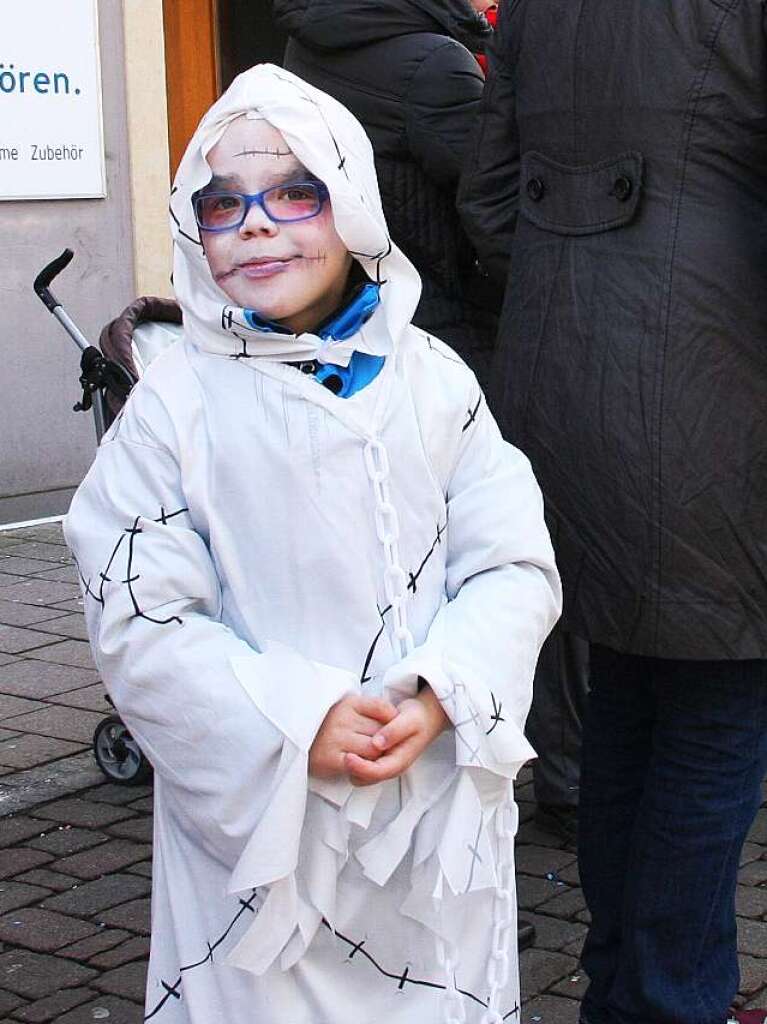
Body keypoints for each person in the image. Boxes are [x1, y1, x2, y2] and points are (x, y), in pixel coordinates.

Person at [65, 64, 560, 1024]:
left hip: (429, 811)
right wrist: (292, 717)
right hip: (262, 835)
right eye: (222, 203)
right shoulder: (175, 406)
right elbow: (140, 613)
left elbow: (509, 559)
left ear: (357, 205)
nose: (256, 223)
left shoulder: (433, 381)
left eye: (297, 192)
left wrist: (444, 687)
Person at [458, 3, 767, 1023]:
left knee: (627, 698)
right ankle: (669, 997)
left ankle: (623, 987)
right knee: (715, 707)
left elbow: (491, 202)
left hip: (561, 388)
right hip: (716, 387)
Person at [272, 0, 499, 390]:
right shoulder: (436, 64)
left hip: (348, 327)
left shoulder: (314, 38)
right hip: (446, 333)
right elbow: (500, 206)